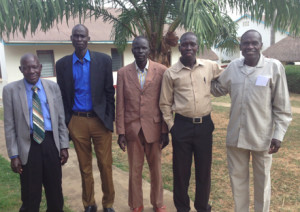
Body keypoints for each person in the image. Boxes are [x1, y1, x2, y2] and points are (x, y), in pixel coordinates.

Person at [211, 29, 292, 211]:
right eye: (246, 43)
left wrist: (278, 135)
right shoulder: (233, 67)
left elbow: (283, 107)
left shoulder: (274, 67)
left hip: (262, 138)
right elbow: (217, 89)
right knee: (237, 182)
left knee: (262, 183)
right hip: (236, 137)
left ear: (261, 45)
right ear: (240, 47)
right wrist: (199, 75)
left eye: (254, 43)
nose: (250, 46)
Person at [159, 32, 223, 212]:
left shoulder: (209, 66)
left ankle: (202, 206)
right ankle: (182, 207)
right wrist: (172, 127)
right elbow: (164, 103)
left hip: (204, 126)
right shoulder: (171, 73)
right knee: (181, 172)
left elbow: (227, 76)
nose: (188, 48)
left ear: (197, 46)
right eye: (184, 45)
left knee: (204, 171)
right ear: (179, 48)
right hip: (182, 126)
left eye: (192, 44)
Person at [56, 24, 115, 212]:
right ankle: (89, 203)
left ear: (88, 38)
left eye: (83, 36)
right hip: (77, 121)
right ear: (71, 39)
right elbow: (63, 96)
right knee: (84, 166)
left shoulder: (104, 61)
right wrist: (68, 121)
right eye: (76, 36)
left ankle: (108, 204)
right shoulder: (62, 64)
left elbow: (109, 93)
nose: (79, 39)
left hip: (99, 121)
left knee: (105, 165)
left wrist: (109, 119)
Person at [2, 53, 69, 212]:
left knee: (55, 192)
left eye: (34, 67)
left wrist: (64, 145)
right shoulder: (10, 90)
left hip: (50, 143)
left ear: (40, 68)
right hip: (28, 145)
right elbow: (10, 126)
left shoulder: (52, 87)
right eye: (27, 68)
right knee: (30, 194)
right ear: (21, 69)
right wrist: (13, 155)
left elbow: (60, 119)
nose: (31, 71)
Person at [116, 36, 169, 212]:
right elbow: (120, 104)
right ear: (132, 50)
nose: (140, 51)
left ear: (149, 50)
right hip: (133, 130)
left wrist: (164, 130)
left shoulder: (161, 70)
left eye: (143, 48)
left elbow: (164, 102)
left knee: (156, 170)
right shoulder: (123, 73)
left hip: (154, 128)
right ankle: (136, 204)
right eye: (136, 48)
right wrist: (121, 132)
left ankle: (158, 203)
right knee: (134, 170)